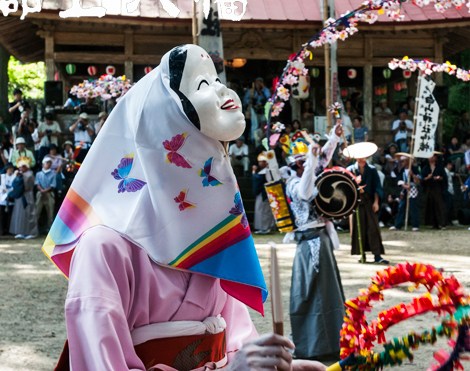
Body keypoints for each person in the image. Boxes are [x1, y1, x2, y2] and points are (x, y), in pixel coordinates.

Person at [41, 45, 322, 371]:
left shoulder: (214, 239)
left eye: (217, 80)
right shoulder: (104, 249)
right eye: (202, 85)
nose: (221, 88)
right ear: (166, 132)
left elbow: (237, 349)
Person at [283, 121, 345, 358]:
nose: (308, 164)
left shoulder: (309, 172)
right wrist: (311, 158)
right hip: (309, 242)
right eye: (304, 162)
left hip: (321, 240)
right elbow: (306, 193)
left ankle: (331, 341)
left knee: (328, 291)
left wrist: (334, 138)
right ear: (296, 164)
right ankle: (313, 344)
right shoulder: (293, 184)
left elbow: (322, 161)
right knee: (310, 292)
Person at [347, 156, 388, 263]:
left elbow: (377, 187)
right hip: (356, 203)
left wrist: (376, 202)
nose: (361, 160)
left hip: (369, 201)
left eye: (362, 157)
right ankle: (361, 254)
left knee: (373, 227)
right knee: (358, 229)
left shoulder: (372, 170)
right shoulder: (351, 170)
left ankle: (377, 255)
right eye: (358, 158)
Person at [390, 153, 421, 231]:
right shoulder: (402, 171)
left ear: (408, 161)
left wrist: (413, 175)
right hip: (404, 190)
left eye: (403, 161)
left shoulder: (414, 169)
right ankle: (398, 225)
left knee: (413, 207)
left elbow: (418, 180)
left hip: (412, 189)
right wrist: (404, 186)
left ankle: (415, 225)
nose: (402, 163)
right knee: (401, 207)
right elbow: (399, 180)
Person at [9, 157, 38, 240]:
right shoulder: (19, 174)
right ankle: (20, 232)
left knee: (29, 213)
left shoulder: (29, 174)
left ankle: (32, 232)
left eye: (22, 166)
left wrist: (20, 176)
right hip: (20, 196)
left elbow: (28, 185)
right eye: (20, 166)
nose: (20, 168)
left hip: (28, 195)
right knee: (19, 214)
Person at [422, 153, 447, 230]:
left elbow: (444, 177)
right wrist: (427, 178)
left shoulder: (439, 167)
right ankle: (434, 224)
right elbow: (422, 179)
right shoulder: (426, 167)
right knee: (430, 206)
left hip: (437, 188)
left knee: (440, 205)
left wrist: (439, 178)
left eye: (433, 156)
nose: (431, 158)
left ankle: (443, 224)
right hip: (429, 188)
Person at [251, 152, 275, 234]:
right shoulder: (265, 171)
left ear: (265, 162)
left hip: (264, 194)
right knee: (262, 210)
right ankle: (263, 227)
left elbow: (257, 180)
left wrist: (253, 172)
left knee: (264, 211)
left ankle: (265, 228)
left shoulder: (266, 171)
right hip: (264, 194)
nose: (259, 163)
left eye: (261, 161)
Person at [35, 156, 57, 231]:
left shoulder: (53, 173)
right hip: (40, 193)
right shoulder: (38, 174)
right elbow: (37, 184)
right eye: (47, 163)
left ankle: (49, 228)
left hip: (49, 193)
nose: (49, 164)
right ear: (43, 164)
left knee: (50, 211)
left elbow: (53, 185)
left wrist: (45, 191)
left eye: (50, 163)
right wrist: (41, 190)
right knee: (37, 210)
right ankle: (34, 228)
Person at [0, 162, 16, 236]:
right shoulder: (2, 176)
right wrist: (4, 190)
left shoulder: (14, 176)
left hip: (11, 197)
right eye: (9, 169)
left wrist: (11, 190)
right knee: (3, 215)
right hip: (3, 198)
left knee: (10, 215)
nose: (10, 170)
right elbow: (0, 186)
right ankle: (3, 230)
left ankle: (9, 229)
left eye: (11, 168)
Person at [444, 160, 456, 226]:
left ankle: (449, 220)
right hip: (447, 190)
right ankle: (447, 221)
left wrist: (455, 174)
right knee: (448, 207)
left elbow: (450, 173)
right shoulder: (445, 171)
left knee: (450, 207)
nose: (450, 166)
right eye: (449, 165)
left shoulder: (448, 172)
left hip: (450, 191)